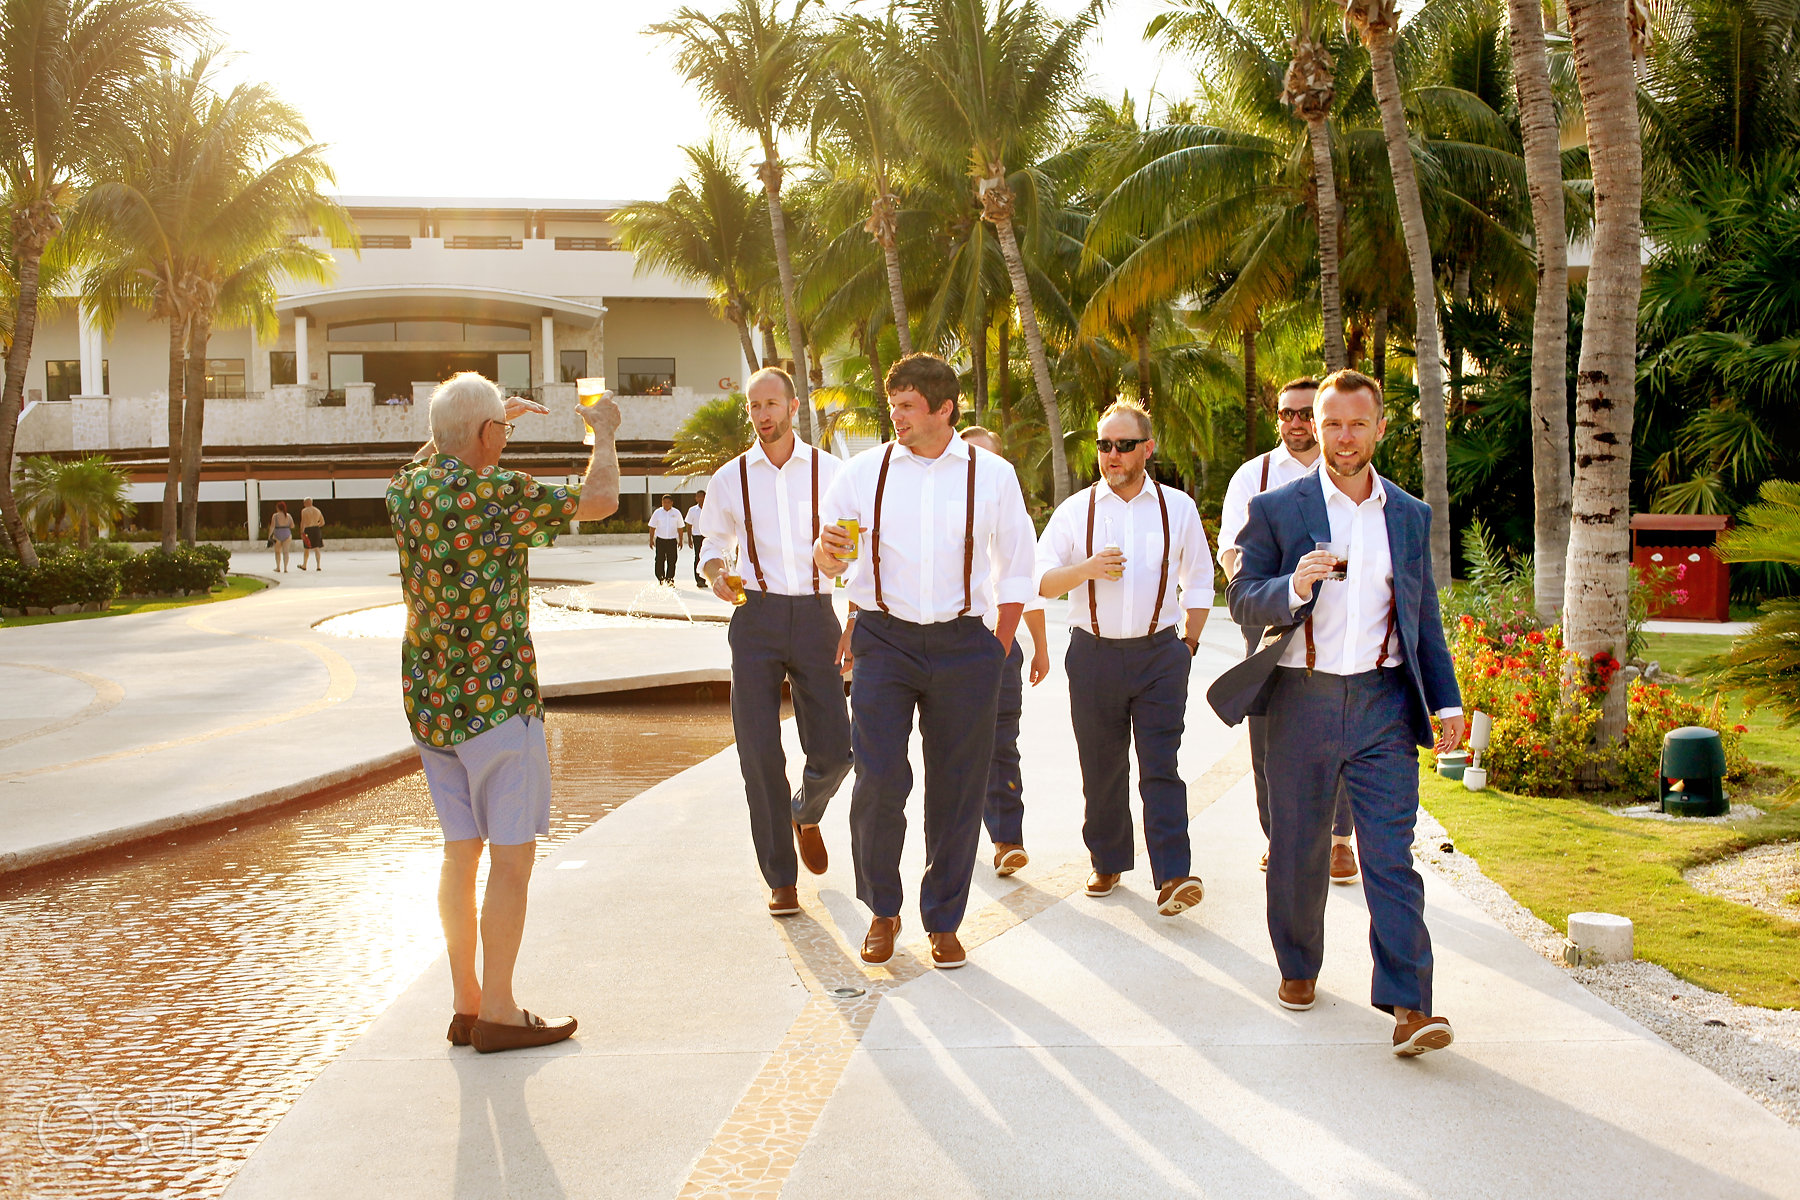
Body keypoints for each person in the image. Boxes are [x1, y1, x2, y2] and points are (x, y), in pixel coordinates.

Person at [1207, 368, 1464, 1056]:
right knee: (1297, 848)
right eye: (1331, 424)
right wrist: (1293, 584)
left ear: (1380, 428)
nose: (1344, 437)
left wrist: (1448, 702)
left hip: (1383, 702)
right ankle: (1297, 965)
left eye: (1357, 423)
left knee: (1390, 854)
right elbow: (1241, 597)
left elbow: (1423, 617)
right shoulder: (1279, 509)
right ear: (1312, 429)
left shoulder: (1407, 514)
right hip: (1300, 699)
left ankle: (1411, 1005)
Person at [387, 371, 623, 1054]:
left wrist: (482, 425)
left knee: (461, 854)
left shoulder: (406, 491)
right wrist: (602, 434)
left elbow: (430, 455)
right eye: (502, 431)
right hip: (495, 699)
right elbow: (599, 501)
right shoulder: (501, 494)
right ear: (488, 436)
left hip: (432, 704)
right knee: (512, 861)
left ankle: (466, 1005)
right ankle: (499, 1009)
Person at [815, 354, 1036, 969]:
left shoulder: (992, 475)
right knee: (881, 778)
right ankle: (883, 912)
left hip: (968, 645)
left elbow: (1017, 565)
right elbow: (829, 556)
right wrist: (827, 557)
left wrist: (999, 644)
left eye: (908, 406)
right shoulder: (863, 472)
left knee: (957, 788)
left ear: (945, 409)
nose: (897, 417)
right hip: (884, 639)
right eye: (894, 405)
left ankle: (943, 919)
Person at [1035, 400, 1214, 916]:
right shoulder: (1077, 510)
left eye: (1123, 445)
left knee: (1161, 765)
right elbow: (1041, 580)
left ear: (1147, 449)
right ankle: (1108, 859)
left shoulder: (1176, 508)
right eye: (1104, 445)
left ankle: (1174, 875)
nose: (1112, 455)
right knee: (1102, 767)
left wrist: (1190, 644)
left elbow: (1199, 580)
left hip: (1161, 654)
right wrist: (1087, 568)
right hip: (1092, 655)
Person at [696, 368, 852, 917]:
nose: (762, 415)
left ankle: (805, 811)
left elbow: (855, 548)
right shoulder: (730, 478)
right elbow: (712, 544)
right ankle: (780, 877)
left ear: (792, 405)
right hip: (754, 616)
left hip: (816, 614)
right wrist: (717, 573)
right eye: (753, 406)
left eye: (770, 404)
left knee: (837, 750)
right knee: (758, 751)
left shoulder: (833, 473)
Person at [1218, 379, 1360, 884]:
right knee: (1269, 736)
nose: (1295, 423)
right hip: (1272, 619)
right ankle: (1277, 836)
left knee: (1341, 729)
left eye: (1305, 414)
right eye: (1286, 414)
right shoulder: (1253, 475)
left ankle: (1340, 841)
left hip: (1341, 623)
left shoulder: (1351, 471)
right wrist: (1262, 597)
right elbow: (1234, 552)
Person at [958, 426, 1049, 876]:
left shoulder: (1013, 518)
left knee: (1001, 743)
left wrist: (1040, 649)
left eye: (986, 458)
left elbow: (1027, 588)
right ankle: (956, 832)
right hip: (951, 647)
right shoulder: (942, 515)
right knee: (954, 746)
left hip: (1002, 646)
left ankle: (1006, 839)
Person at [648, 494, 682, 585]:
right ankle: (661, 578)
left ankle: (670, 579)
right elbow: (652, 527)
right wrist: (651, 540)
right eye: (664, 502)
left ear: (672, 503)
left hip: (672, 541)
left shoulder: (676, 513)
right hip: (660, 540)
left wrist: (681, 541)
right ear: (662, 503)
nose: (666, 504)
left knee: (672, 561)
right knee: (659, 560)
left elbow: (680, 528)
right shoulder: (657, 513)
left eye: (668, 502)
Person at [684, 490, 708, 586]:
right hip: (697, 536)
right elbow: (689, 525)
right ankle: (699, 580)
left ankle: (705, 579)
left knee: (707, 557)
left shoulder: (710, 509)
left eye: (701, 496)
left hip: (707, 536)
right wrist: (689, 538)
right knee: (698, 557)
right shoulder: (692, 510)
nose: (699, 499)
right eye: (698, 497)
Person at [297, 496, 326, 571]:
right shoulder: (317, 510)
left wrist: (301, 532)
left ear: (306, 502)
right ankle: (318, 566)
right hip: (316, 529)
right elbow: (322, 522)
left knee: (306, 548)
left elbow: (303, 522)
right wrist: (316, 525)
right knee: (316, 548)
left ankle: (304, 565)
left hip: (308, 529)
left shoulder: (304, 511)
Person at [267, 502, 294, 572]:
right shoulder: (288, 515)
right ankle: (285, 568)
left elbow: (272, 526)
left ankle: (278, 567)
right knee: (286, 552)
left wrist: (269, 535)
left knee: (277, 552)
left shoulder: (275, 516)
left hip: (277, 533)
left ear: (278, 508)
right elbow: (292, 526)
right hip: (287, 533)